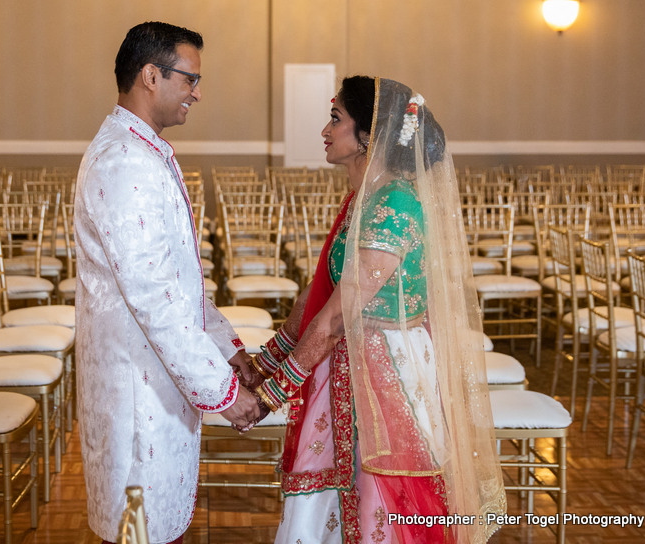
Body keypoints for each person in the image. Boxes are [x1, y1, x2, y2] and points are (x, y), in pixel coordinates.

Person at [244, 76, 507, 543]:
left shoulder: (394, 204)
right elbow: (320, 292)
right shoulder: (363, 198)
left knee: (378, 503)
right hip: (348, 362)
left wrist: (271, 395)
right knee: (337, 497)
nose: (325, 130)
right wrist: (264, 363)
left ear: (369, 134)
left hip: (384, 375)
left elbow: (337, 314)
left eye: (335, 118)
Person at [73, 21, 260, 544]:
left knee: (157, 526)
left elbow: (181, 279)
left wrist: (227, 347)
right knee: (138, 531)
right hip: (137, 394)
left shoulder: (143, 149)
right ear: (150, 75)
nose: (197, 93)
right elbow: (154, 298)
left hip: (158, 383)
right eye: (190, 79)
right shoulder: (124, 161)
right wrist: (224, 394)